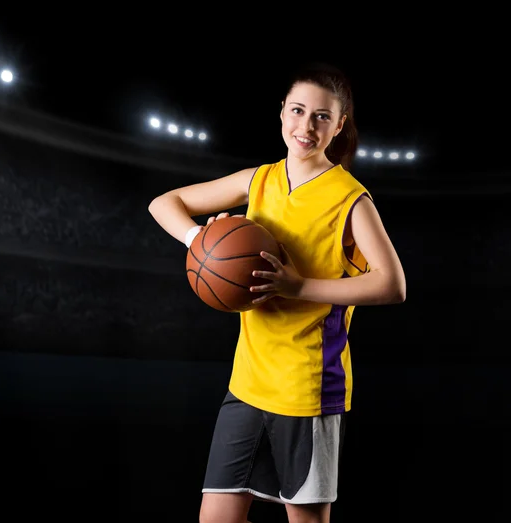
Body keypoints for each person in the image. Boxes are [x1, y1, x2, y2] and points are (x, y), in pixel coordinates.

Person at [148, 62, 406, 523]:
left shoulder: (351, 199)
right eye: (297, 111)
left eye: (321, 117)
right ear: (282, 113)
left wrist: (297, 285)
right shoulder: (259, 180)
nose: (306, 126)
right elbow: (163, 203)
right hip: (247, 384)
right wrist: (197, 241)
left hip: (307, 390)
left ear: (339, 125)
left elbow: (392, 284)